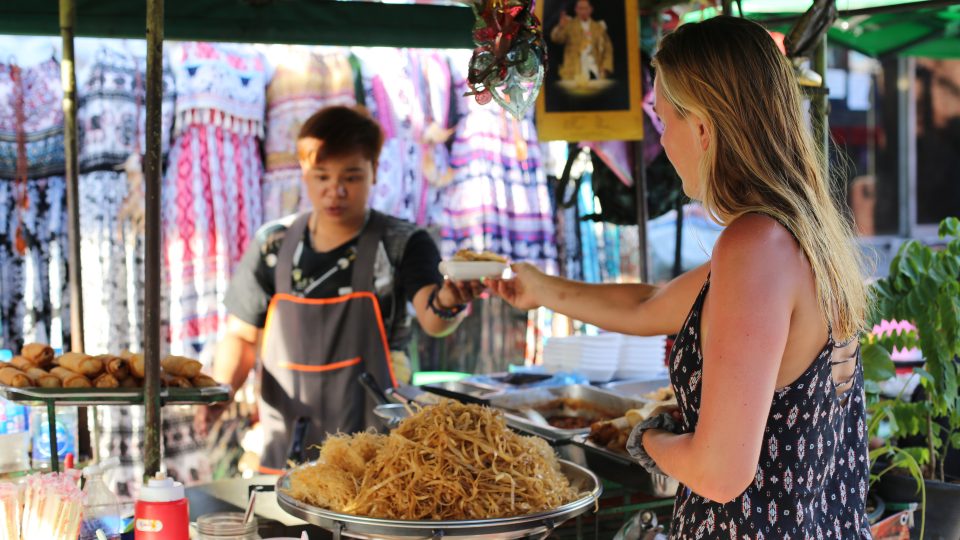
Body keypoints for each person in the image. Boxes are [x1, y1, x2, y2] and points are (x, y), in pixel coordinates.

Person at [489, 16, 872, 539]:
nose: (663, 142)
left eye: (663, 120)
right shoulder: (801, 233)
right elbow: (651, 306)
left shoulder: (754, 246)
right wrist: (539, 289)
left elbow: (719, 472)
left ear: (703, 127)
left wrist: (644, 439)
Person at [199, 106, 483, 473]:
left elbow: (433, 318)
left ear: (374, 171)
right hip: (287, 442)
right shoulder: (274, 245)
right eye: (322, 176)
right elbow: (242, 336)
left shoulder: (402, 243)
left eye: (351, 176)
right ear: (303, 172)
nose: (336, 191)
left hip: (380, 450)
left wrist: (450, 299)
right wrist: (219, 394)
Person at [550, 0, 614, 83]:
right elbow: (556, 39)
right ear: (576, 9)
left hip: (595, 68)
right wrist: (560, 27)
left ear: (590, 9)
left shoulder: (599, 27)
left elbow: (607, 49)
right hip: (573, 70)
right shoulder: (569, 25)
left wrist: (605, 67)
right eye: (580, 8)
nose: (583, 11)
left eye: (585, 8)